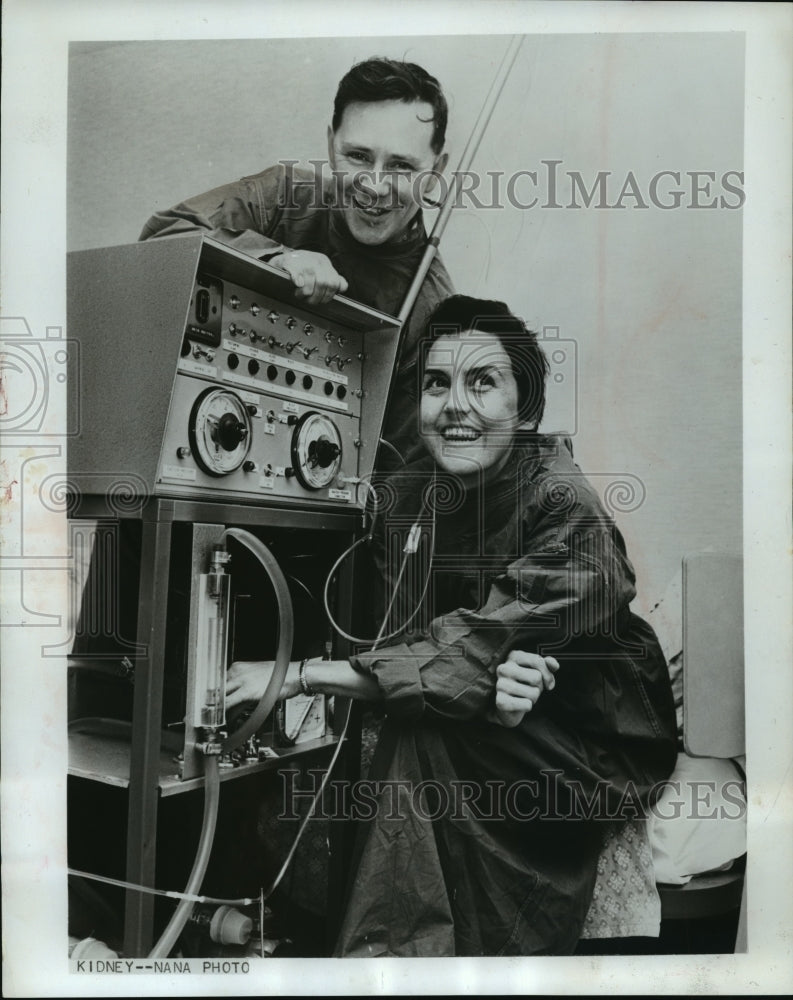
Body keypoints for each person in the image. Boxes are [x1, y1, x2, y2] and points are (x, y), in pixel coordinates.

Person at [226, 294, 679, 957]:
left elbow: (469, 652)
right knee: (415, 723)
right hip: (498, 691)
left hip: (593, 726)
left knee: (424, 733)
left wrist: (299, 676)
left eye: (481, 383)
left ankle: (399, 958)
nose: (454, 406)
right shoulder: (411, 497)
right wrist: (485, 672)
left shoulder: (564, 504)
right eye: (436, 384)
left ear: (522, 408)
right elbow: (415, 643)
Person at [140, 56, 455, 469]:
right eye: (357, 156)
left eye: (401, 166)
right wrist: (276, 258)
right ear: (330, 145)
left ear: (436, 172)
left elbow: (402, 477)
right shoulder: (285, 195)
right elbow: (163, 237)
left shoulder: (435, 308)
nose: (374, 186)